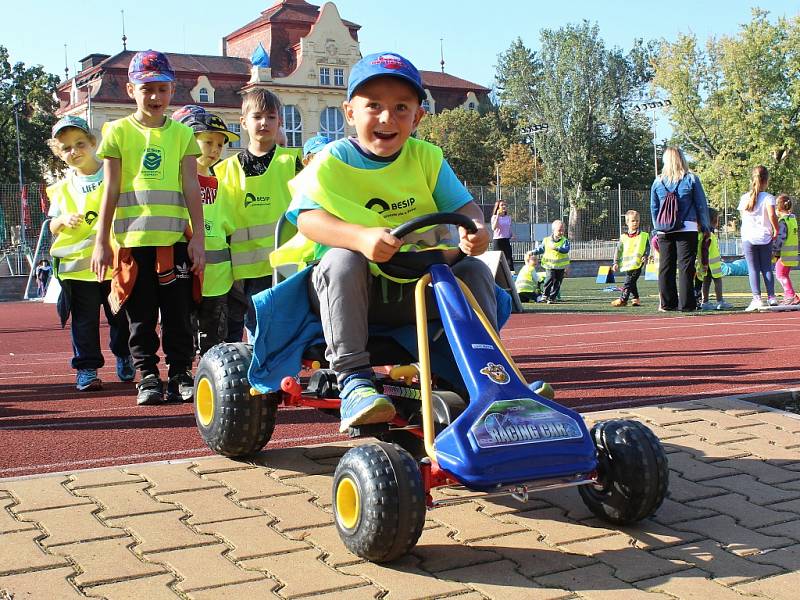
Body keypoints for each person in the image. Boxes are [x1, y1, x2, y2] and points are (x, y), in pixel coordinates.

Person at [286, 51, 496, 432]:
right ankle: (353, 381)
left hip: (413, 286)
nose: (387, 118)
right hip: (353, 293)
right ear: (350, 112)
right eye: (374, 106)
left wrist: (476, 232)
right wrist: (360, 238)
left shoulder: (427, 157)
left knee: (473, 271)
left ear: (418, 117)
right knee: (342, 260)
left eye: (401, 108)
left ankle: (489, 379)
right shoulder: (332, 160)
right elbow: (307, 218)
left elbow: (466, 209)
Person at [90, 50, 206, 405]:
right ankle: (148, 376)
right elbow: (109, 188)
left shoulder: (182, 135)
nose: (155, 97)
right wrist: (101, 241)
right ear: (131, 90)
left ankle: (182, 372)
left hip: (173, 242)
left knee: (177, 317)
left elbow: (191, 186)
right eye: (147, 89)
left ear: (173, 90)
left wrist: (198, 235)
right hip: (133, 243)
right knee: (139, 318)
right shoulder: (116, 132)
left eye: (163, 89)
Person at [46, 115, 134, 391]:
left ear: (93, 142)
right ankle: (86, 368)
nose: (74, 151)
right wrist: (61, 221)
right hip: (79, 270)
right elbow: (51, 225)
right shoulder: (60, 190)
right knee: (83, 322)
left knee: (120, 317)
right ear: (59, 154)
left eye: (80, 144)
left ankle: (123, 354)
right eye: (67, 148)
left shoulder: (113, 172)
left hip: (113, 265)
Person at [215, 89, 302, 341]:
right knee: (255, 327)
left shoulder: (293, 162)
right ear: (243, 122)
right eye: (258, 116)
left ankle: (286, 371)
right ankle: (261, 375)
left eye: (271, 117)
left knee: (286, 322)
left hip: (286, 264)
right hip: (243, 271)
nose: (264, 122)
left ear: (280, 122)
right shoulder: (224, 170)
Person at [172, 106, 240, 355]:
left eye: (220, 145)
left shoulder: (224, 185)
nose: (215, 149)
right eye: (208, 142)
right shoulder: (175, 181)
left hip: (218, 278)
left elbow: (230, 227)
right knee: (181, 334)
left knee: (215, 341)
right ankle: (182, 376)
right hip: (183, 272)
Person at [650, 146, 711, 312]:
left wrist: (658, 227)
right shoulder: (691, 179)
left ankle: (667, 303)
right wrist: (705, 225)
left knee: (666, 266)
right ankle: (687, 304)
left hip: (665, 228)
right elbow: (700, 204)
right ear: (682, 159)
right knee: (686, 266)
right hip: (687, 226)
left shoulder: (658, 181)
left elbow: (654, 207)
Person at [737, 165, 779, 311]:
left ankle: (757, 298)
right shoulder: (768, 198)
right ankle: (772, 297)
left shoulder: (744, 198)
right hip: (764, 236)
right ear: (766, 180)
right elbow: (772, 215)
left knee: (753, 269)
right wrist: (776, 229)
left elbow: (743, 218)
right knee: (766, 267)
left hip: (748, 237)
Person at [696, 208, 733, 310]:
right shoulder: (709, 235)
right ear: (713, 220)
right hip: (712, 264)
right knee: (717, 281)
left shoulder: (701, 233)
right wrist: (705, 262)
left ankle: (705, 301)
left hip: (705, 263)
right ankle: (720, 301)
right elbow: (705, 249)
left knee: (706, 282)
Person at [611, 210, 650, 307]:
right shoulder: (623, 237)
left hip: (637, 264)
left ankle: (623, 299)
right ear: (627, 222)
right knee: (632, 282)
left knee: (628, 282)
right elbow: (618, 250)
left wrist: (645, 256)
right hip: (627, 265)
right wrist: (615, 262)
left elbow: (647, 247)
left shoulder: (643, 235)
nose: (635, 223)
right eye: (633, 221)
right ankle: (636, 298)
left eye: (637, 220)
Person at [533, 220, 570, 303]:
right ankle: (545, 295)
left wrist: (557, 248)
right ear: (553, 230)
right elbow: (541, 249)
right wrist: (533, 252)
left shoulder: (565, 241)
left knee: (558, 282)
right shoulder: (547, 240)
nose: (561, 232)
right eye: (559, 230)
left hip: (560, 267)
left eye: (563, 230)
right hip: (550, 265)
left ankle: (552, 298)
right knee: (549, 278)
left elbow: (566, 250)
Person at [772, 193, 799, 305]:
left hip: (784, 254)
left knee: (780, 274)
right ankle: (793, 296)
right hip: (792, 253)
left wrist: (774, 251)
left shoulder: (783, 221)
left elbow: (781, 238)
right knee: (785, 274)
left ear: (778, 208)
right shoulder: (792, 219)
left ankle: (790, 295)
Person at [491, 200, 514, 272]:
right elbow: (493, 228)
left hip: (506, 240)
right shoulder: (494, 217)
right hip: (498, 240)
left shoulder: (508, 217)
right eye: (502, 205)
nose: (504, 206)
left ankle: (512, 275)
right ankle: (496, 275)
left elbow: (508, 228)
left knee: (509, 259)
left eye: (505, 205)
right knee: (497, 259)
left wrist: (512, 234)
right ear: (498, 207)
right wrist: (497, 216)